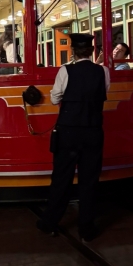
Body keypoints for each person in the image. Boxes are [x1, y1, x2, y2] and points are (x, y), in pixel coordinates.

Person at [37, 33, 110, 242]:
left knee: (61, 178)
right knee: (89, 180)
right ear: (91, 51)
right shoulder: (103, 71)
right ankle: (86, 228)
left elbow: (54, 98)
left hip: (68, 132)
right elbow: (104, 92)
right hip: (94, 131)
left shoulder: (65, 70)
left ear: (73, 52)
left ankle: (49, 223)